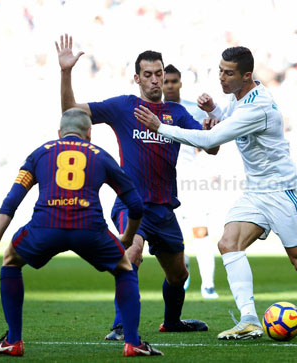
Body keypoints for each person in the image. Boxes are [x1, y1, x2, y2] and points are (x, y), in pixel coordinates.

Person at [135, 46, 297, 339]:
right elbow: (227, 118)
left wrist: (160, 127)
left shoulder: (258, 106)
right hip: (256, 192)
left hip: (282, 191)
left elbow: (213, 138)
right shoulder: (240, 97)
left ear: (247, 75)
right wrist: (214, 110)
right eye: (220, 71)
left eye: (229, 73)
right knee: (228, 243)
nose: (222, 78)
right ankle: (249, 319)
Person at [55, 34, 215, 340]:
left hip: (164, 207)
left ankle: (172, 322)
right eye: (148, 75)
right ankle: (120, 326)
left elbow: (212, 147)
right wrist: (66, 72)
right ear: (137, 78)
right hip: (132, 204)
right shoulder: (123, 107)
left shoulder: (177, 114)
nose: (156, 80)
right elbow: (70, 112)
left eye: (159, 74)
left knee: (178, 274)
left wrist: (210, 124)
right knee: (132, 253)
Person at [0, 108, 162, 357]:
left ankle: (14, 341)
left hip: (45, 227)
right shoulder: (101, 156)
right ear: (89, 133)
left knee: (11, 260)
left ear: (59, 133)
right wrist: (126, 238)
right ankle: (134, 343)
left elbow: (11, 202)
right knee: (124, 268)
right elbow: (135, 205)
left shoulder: (40, 153)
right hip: (90, 229)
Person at [163, 64, 219, 299]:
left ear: (181, 83)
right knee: (175, 236)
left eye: (173, 81)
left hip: (190, 180)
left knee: (200, 232)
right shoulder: (149, 110)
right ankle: (181, 279)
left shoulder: (190, 111)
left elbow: (208, 142)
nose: (169, 85)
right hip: (164, 181)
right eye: (165, 81)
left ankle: (208, 285)